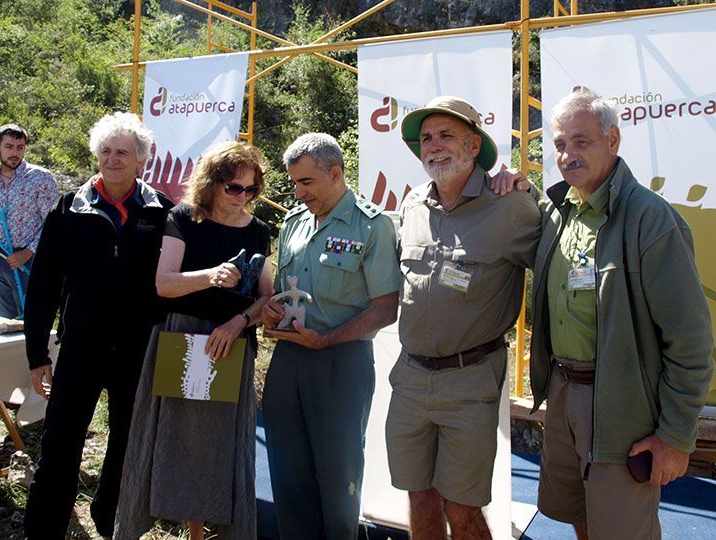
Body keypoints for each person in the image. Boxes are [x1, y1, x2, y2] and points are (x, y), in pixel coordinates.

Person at [529, 88, 713, 539]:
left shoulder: (652, 221)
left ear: (613, 140)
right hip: (564, 394)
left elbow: (690, 342)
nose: (568, 154)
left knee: (624, 531)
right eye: (559, 144)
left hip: (622, 409)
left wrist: (674, 437)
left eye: (581, 141)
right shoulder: (558, 213)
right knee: (581, 517)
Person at [385, 95, 541, 540]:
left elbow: (557, 268)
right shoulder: (413, 202)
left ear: (474, 146)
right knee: (418, 495)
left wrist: (525, 186)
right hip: (410, 376)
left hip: (470, 378)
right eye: (426, 138)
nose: (433, 145)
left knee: (463, 506)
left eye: (446, 135)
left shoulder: (510, 206)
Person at [23, 112, 173, 538]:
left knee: (126, 444)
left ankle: (114, 524)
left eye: (123, 151)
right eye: (106, 151)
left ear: (141, 158)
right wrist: (38, 354)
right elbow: (43, 286)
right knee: (59, 445)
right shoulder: (69, 208)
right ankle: (43, 529)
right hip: (80, 349)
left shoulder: (163, 212)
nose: (113, 159)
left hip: (138, 351)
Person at [114, 140, 273, 540]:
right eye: (233, 187)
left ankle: (213, 530)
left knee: (220, 443)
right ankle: (178, 526)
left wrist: (238, 323)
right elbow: (164, 284)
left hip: (230, 344)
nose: (241, 197)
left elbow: (266, 298)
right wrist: (210, 275)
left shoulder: (259, 232)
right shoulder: (183, 218)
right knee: (173, 437)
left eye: (250, 189)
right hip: (181, 339)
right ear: (211, 182)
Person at [261, 132, 400, 540]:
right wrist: (273, 308)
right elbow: (285, 287)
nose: (299, 193)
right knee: (288, 469)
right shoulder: (293, 222)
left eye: (307, 183)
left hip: (342, 361)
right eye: (294, 184)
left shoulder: (372, 226)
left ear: (335, 173)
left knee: (340, 476)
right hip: (289, 358)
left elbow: (384, 308)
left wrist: (325, 340)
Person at [0, 123, 58, 319]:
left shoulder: (40, 178)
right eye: (9, 147)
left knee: (33, 320)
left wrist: (28, 251)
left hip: (30, 262)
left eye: (20, 147)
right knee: (7, 323)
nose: (15, 153)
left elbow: (53, 223)